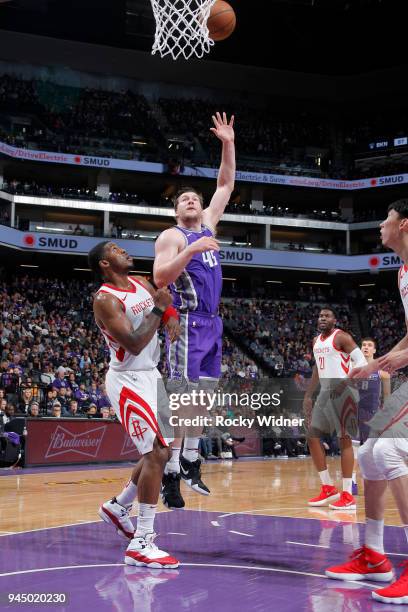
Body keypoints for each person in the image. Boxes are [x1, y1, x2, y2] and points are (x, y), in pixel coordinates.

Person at [326, 199, 408, 604]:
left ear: (404, 225)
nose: (381, 224)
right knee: (372, 452)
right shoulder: (403, 273)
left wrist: (393, 359)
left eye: (387, 218)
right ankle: (374, 555)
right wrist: (376, 362)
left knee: (388, 447)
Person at [153, 111, 235, 509]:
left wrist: (227, 143)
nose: (191, 200)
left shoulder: (209, 226)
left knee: (201, 398)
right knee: (182, 400)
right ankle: (175, 469)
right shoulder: (172, 235)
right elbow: (159, 277)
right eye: (184, 199)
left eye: (195, 199)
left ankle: (185, 463)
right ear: (176, 211)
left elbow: (225, 183)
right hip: (185, 322)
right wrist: (190, 249)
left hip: (213, 324)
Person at [89, 240, 180, 569]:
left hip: (151, 375)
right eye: (114, 249)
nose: (123, 250)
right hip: (127, 380)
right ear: (104, 263)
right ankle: (141, 542)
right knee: (156, 452)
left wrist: (170, 316)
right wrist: (159, 310)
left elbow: (162, 299)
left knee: (163, 451)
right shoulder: (105, 300)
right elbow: (133, 342)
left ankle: (118, 506)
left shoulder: (141, 281)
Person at [303, 307, 367, 510]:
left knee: (344, 439)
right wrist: (308, 394)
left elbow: (362, 362)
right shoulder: (316, 341)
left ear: (334, 320)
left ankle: (348, 494)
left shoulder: (342, 337)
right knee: (312, 436)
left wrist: (346, 383)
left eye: (327, 316)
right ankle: (328, 487)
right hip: (324, 391)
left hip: (344, 391)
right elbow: (317, 368)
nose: (322, 318)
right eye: (320, 316)